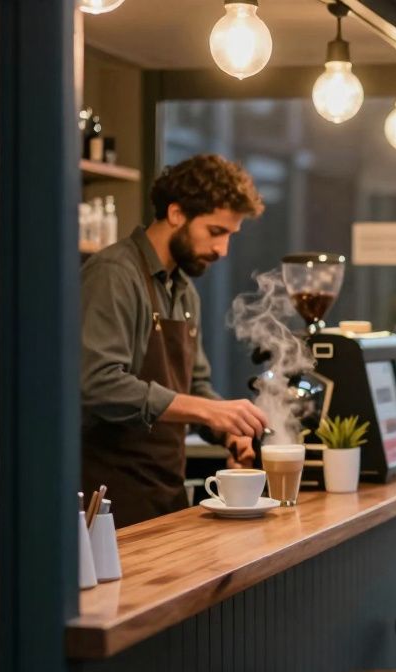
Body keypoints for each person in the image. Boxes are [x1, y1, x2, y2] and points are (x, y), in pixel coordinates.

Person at [80, 154, 269, 528]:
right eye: (216, 232)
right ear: (177, 213)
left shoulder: (184, 291)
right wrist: (206, 410)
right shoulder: (114, 275)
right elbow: (95, 382)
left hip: (165, 496)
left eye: (230, 235)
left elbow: (194, 384)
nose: (222, 250)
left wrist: (228, 429)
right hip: (107, 500)